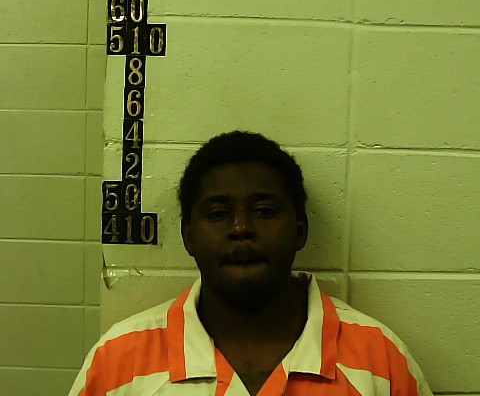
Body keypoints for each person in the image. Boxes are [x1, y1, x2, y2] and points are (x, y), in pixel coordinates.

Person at [70, 130, 432, 395]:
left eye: (264, 211)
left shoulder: (379, 360)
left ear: (300, 230)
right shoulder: (119, 360)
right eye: (218, 213)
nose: (240, 228)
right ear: (188, 237)